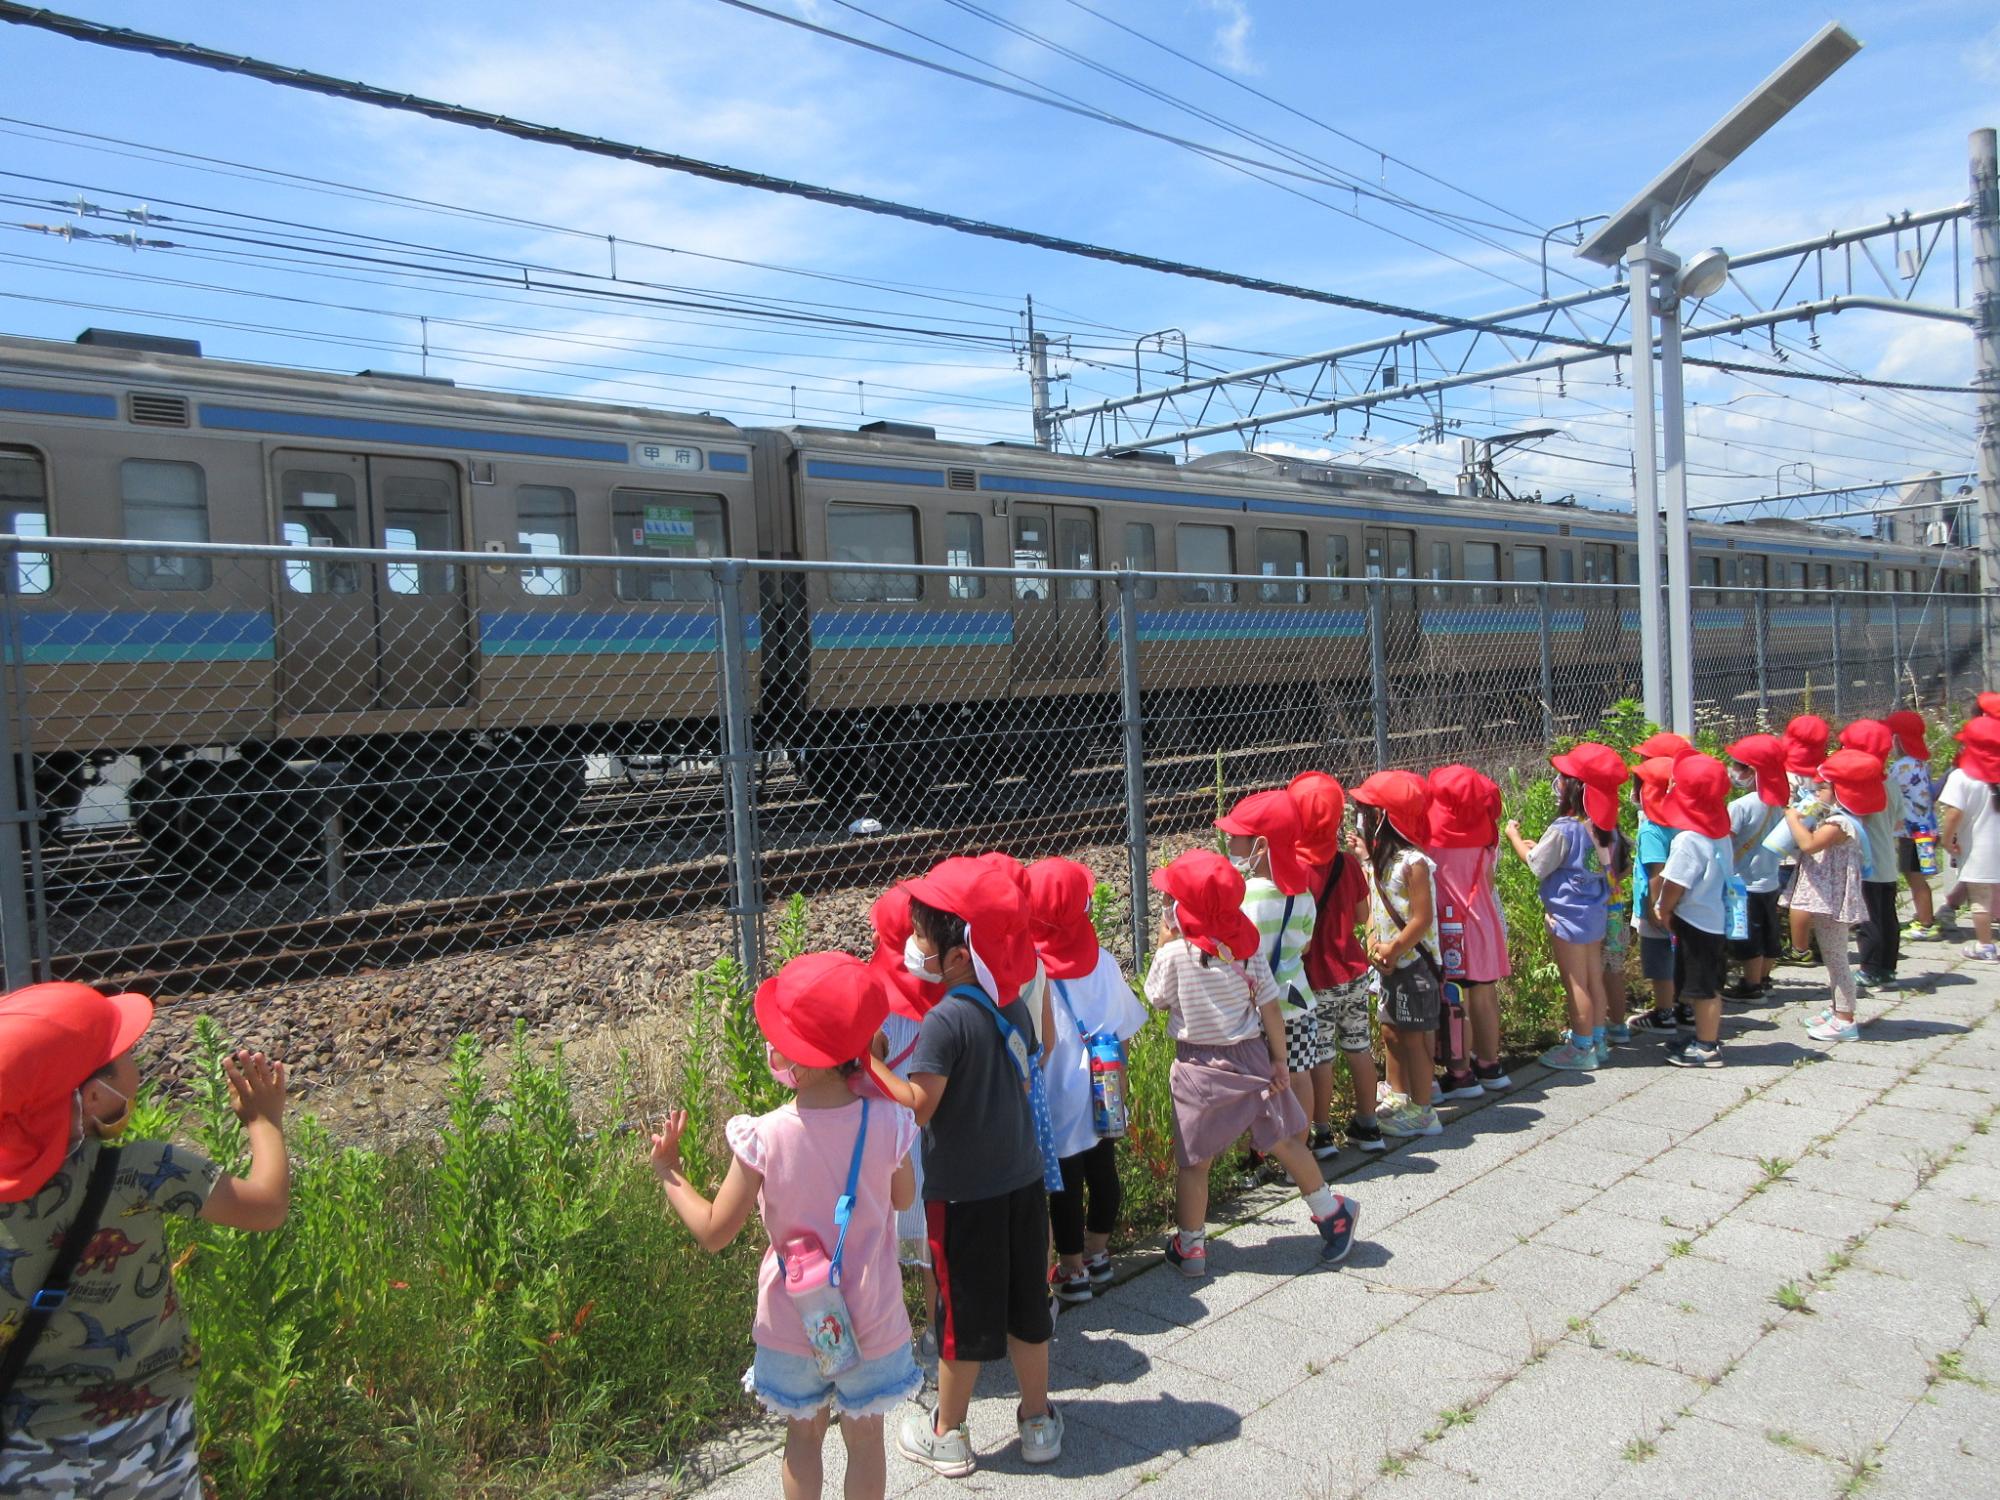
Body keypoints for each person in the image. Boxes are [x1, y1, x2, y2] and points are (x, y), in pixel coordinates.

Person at [0, 983, 291, 1500]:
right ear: (93, 1096)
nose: (139, 1063)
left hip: (21, 1449)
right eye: (126, 1055)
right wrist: (264, 1121)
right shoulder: (145, 1169)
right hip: (147, 1432)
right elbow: (265, 1206)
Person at [651, 952, 921, 1500]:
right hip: (872, 1317)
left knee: (802, 1440)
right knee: (867, 1443)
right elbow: (904, 1197)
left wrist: (669, 1172)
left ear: (789, 1056)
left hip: (794, 1322)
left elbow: (713, 1231)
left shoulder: (764, 1136)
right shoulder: (890, 1120)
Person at [863, 858, 1062, 1475]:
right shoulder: (1012, 1007)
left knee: (960, 1317)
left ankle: (946, 1433)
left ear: (958, 954)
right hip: (1023, 1181)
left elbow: (919, 1108)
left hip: (962, 1196)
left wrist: (869, 1067)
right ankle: (1037, 1422)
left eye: (922, 936)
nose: (913, 947)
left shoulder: (945, 1019)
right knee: (1029, 1307)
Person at [1143, 850, 1359, 1275]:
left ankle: (1191, 1247)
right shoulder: (1247, 950)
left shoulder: (1173, 956)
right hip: (1250, 1056)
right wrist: (1279, 1060)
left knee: (1195, 1160)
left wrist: (1166, 943)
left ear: (1180, 910)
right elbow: (1270, 1010)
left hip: (1196, 1067)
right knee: (1283, 1140)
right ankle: (1331, 1212)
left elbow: (1156, 998)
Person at [1024, 857, 1147, 1305]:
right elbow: (1126, 1026)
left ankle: (1072, 1271)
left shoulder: (1031, 970)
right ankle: (1099, 1253)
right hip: (1104, 1083)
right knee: (1104, 1169)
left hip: (1056, 1096)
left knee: (1066, 1184)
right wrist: (1120, 1078)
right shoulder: (1104, 963)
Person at [1504, 743, 1625, 1070]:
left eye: (1562, 777)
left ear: (1574, 788)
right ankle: (1598, 1041)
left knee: (1575, 983)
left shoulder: (1564, 828)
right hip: (1595, 911)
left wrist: (1514, 836)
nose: (1557, 782)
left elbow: (1537, 865)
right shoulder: (1604, 825)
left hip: (1566, 916)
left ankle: (1580, 1048)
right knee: (1593, 978)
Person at [863, 886, 944, 1340]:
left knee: (882, 1242)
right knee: (933, 1241)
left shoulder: (874, 1002)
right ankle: (937, 1330)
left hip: (885, 1145)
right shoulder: (943, 995)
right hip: (935, 1142)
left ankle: (886, 1332)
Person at [1288, 771, 1381, 1153]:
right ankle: (1368, 1124)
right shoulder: (1348, 864)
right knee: (1359, 1047)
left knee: (1320, 1056)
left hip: (1317, 980)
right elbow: (1362, 916)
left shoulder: (1294, 871)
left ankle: (1322, 1133)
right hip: (1354, 973)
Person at [1215, 790, 1318, 1132]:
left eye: (1235, 836)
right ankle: (1301, 1150)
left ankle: (1259, 1152)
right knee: (1299, 1075)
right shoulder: (1302, 893)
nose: (1227, 839)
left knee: (1258, 1082)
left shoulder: (1245, 897)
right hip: (1298, 1002)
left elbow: (1236, 952)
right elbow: (1304, 945)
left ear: (1260, 845)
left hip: (1257, 1009)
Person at [1350, 771, 1445, 1135]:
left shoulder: (1414, 863)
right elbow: (1374, 909)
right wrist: (1375, 944)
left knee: (1414, 1037)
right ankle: (1398, 1095)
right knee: (1390, 1030)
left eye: (1366, 811)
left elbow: (1422, 919)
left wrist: (1395, 947)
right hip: (1388, 963)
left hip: (1414, 963)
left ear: (1384, 817)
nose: (1360, 818)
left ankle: (1424, 1111)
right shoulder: (1378, 861)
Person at [1424, 764, 1513, 1094]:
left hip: (1451, 928)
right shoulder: (1487, 833)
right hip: (1484, 924)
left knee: (1454, 999)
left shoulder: (1432, 837)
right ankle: (1490, 1065)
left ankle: (1460, 1073)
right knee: (1485, 995)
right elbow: (1488, 882)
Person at [1651, 754, 1736, 1069]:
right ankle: (1703, 1037)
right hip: (1714, 917)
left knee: (1704, 989)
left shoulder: (1688, 840)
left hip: (1695, 921)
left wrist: (1664, 907)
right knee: (1708, 983)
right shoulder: (1719, 832)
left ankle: (1707, 1047)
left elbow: (1675, 883)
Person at [1786, 754, 1877, 1043]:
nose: (1815, 793)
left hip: (1832, 900)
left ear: (1839, 790)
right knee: (1832, 956)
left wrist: (1792, 818)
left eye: (1822, 787)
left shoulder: (1839, 823)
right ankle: (1837, 1007)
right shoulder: (1838, 818)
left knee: (1837, 958)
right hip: (1827, 897)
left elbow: (1809, 844)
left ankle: (1845, 1019)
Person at [1721, 734, 1790, 1002]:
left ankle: (1750, 986)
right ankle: (1764, 978)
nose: (1733, 771)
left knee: (1746, 935)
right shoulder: (1779, 801)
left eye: (1738, 766)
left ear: (1753, 771)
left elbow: (1726, 839)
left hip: (1741, 883)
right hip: (1770, 879)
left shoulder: (1741, 806)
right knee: (1769, 930)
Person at [1835, 720, 1904, 989]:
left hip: (1867, 864)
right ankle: (1887, 968)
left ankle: (1870, 968)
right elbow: (1899, 821)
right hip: (1888, 860)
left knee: (1868, 919)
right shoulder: (1891, 784)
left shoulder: (1860, 785)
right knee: (1888, 917)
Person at [1626, 757, 1684, 1036]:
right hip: (1683, 903)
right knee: (1679, 957)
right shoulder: (1685, 820)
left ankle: (1664, 1013)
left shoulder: (1651, 829)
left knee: (1659, 962)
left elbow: (1656, 873)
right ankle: (1684, 1007)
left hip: (1658, 906)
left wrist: (1656, 909)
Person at [1937, 717, 2000, 962]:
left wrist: (1947, 838)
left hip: (1978, 850)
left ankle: (1985, 945)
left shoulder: (1962, 777)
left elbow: (1954, 813)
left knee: (1980, 900)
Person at [1779, 715, 1833, 964]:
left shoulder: (1786, 771)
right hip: (1819, 842)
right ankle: (1819, 943)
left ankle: (1797, 948)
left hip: (1788, 846)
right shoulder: (1826, 771)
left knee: (1792, 899)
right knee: (1815, 895)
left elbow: (1782, 804)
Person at [1885, 711, 1940, 939]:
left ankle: (1926, 923)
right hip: (1926, 828)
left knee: (1914, 877)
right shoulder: (1921, 764)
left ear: (1898, 739)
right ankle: (1924, 917)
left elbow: (1888, 790)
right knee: (1919, 877)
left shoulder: (1901, 767)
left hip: (1912, 832)